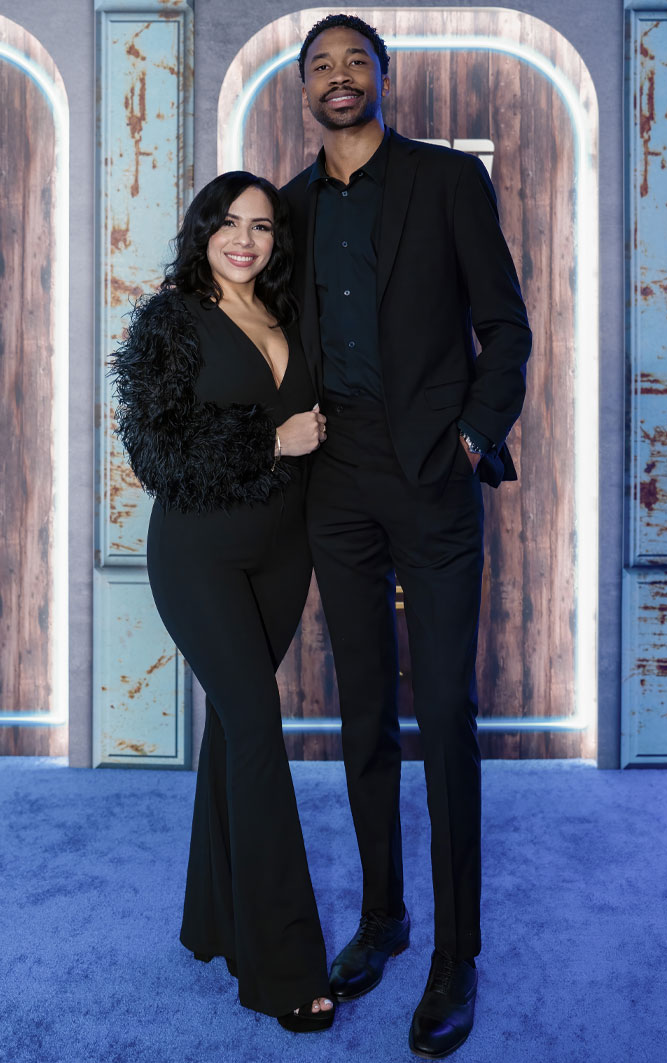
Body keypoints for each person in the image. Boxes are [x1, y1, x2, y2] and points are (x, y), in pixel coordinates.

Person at [281, 14, 532, 1058]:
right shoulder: (289, 208)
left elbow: (505, 327)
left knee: (442, 712)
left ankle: (455, 953)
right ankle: (384, 918)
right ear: (304, 89)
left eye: (355, 62)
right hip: (334, 483)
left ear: (386, 76)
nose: (339, 79)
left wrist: (475, 435)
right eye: (321, 67)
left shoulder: (444, 183)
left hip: (433, 476)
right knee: (364, 719)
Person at [111, 171, 335, 1032]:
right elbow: (153, 449)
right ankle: (286, 965)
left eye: (264, 227)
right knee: (257, 727)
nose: (247, 239)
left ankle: (214, 918)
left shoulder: (283, 313)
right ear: (203, 229)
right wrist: (267, 436)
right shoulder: (172, 318)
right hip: (199, 555)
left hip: (284, 556)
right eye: (231, 223)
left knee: (233, 733)